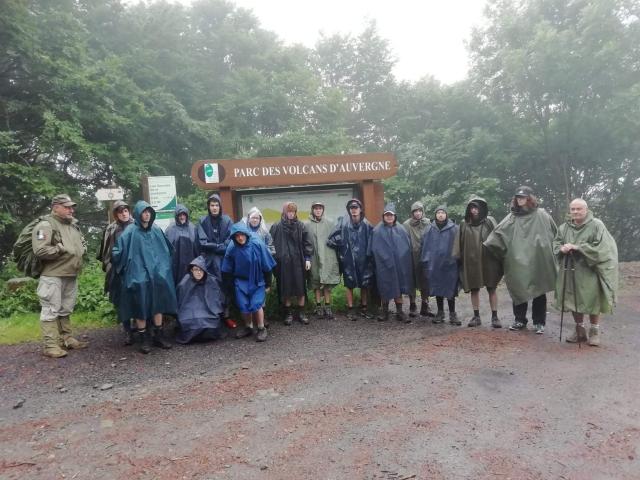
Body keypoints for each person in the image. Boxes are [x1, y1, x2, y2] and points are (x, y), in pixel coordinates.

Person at [484, 186, 557, 334]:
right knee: (518, 287)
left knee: (539, 289)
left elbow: (554, 233)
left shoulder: (541, 215)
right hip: (517, 259)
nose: (520, 199)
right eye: (518, 197)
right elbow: (498, 234)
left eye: (523, 197)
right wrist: (490, 247)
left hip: (538, 258)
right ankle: (519, 320)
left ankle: (539, 322)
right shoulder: (512, 217)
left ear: (530, 198)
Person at [112, 201, 177, 353]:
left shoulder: (156, 230)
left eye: (149, 211)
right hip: (138, 275)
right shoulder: (130, 232)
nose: (147, 214)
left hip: (157, 274)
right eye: (144, 212)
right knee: (140, 303)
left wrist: (164, 269)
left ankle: (158, 336)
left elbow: (167, 250)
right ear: (138, 214)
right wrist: (128, 268)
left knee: (158, 304)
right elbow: (117, 253)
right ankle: (144, 339)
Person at [553, 199, 618, 346]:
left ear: (586, 210)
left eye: (579, 209)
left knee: (592, 299)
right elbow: (556, 243)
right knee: (572, 299)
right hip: (570, 270)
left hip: (590, 270)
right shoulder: (564, 228)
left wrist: (579, 247)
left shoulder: (596, 225)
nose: (575, 212)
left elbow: (604, 248)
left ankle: (594, 331)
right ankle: (579, 330)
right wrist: (561, 248)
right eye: (573, 209)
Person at [32, 194, 88, 358]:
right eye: (67, 207)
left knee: (65, 309)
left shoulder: (72, 225)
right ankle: (50, 346)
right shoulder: (45, 225)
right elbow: (40, 250)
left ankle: (67, 339)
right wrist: (59, 249)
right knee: (50, 309)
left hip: (70, 274)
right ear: (56, 207)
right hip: (53, 276)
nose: (71, 210)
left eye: (72, 207)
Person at [453, 197, 503, 328]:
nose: (474, 210)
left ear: (481, 209)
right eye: (471, 208)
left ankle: (495, 317)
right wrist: (457, 258)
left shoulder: (489, 221)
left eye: (476, 208)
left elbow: (499, 238)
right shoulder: (464, 223)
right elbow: (459, 242)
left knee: (491, 288)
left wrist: (501, 255)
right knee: (474, 288)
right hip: (471, 261)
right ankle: (476, 316)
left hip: (489, 261)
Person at [222, 222, 276, 341]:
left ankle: (261, 328)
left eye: (242, 235)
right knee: (243, 305)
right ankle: (249, 327)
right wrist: (229, 285)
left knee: (257, 304)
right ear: (234, 237)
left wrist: (268, 284)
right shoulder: (232, 248)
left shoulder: (257, 244)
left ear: (246, 234)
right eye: (237, 236)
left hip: (257, 280)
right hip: (240, 281)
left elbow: (267, 265)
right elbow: (227, 268)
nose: (240, 238)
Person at [327, 199, 375, 320]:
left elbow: (373, 240)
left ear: (360, 209)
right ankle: (350, 309)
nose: (354, 210)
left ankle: (364, 307)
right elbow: (332, 238)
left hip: (364, 258)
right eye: (351, 208)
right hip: (348, 258)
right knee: (349, 284)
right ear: (349, 210)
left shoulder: (367, 224)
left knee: (364, 283)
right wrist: (341, 247)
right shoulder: (343, 222)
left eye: (356, 208)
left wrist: (370, 256)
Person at [96, 200, 135, 344]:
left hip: (134, 269)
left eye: (126, 211)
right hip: (118, 270)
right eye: (120, 212)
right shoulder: (111, 229)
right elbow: (106, 251)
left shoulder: (136, 225)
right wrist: (108, 267)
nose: (124, 214)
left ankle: (140, 327)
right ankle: (127, 331)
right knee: (122, 300)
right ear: (116, 214)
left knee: (138, 298)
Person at [369, 203, 415, 322]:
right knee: (385, 286)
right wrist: (383, 259)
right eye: (387, 215)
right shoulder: (377, 230)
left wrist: (401, 259)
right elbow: (374, 249)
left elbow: (406, 247)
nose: (389, 217)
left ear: (395, 216)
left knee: (398, 286)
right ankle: (385, 311)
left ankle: (400, 311)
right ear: (383, 216)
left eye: (391, 215)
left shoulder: (401, 229)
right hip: (383, 265)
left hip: (399, 264)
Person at [269, 202, 313, 325]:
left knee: (301, 288)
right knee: (285, 288)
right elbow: (270, 244)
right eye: (289, 211)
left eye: (293, 212)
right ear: (284, 212)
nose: (291, 214)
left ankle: (301, 312)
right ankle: (288, 314)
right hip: (283, 263)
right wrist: (274, 260)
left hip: (298, 262)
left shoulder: (300, 226)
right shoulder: (276, 226)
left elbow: (307, 243)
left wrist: (308, 258)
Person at [421, 206, 460, 325]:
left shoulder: (454, 228)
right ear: (435, 215)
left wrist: (456, 259)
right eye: (438, 212)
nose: (441, 214)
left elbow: (458, 246)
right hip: (435, 264)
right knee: (438, 288)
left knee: (450, 289)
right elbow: (425, 245)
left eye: (443, 212)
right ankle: (440, 312)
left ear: (446, 215)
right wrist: (426, 261)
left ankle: (453, 314)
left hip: (450, 264)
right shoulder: (429, 229)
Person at [175, 256, 225, 344]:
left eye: (201, 270)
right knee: (192, 321)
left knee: (208, 322)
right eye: (196, 269)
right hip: (189, 312)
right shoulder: (185, 282)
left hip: (208, 311)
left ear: (204, 270)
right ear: (191, 270)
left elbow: (218, 299)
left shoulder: (211, 281)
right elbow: (180, 302)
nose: (198, 272)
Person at [305, 201, 340, 319]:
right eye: (316, 208)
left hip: (327, 256)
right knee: (316, 282)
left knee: (327, 283)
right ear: (312, 210)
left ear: (323, 210)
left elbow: (337, 237)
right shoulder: (307, 225)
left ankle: (328, 306)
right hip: (314, 257)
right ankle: (318, 305)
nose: (318, 210)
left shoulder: (330, 223)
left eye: (320, 208)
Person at [402, 201, 435, 318]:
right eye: (415, 211)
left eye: (420, 210)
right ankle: (412, 305)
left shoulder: (428, 223)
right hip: (411, 256)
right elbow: (403, 240)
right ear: (412, 213)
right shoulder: (406, 224)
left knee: (425, 280)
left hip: (425, 256)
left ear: (423, 211)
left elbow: (432, 239)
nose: (418, 213)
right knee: (411, 280)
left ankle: (425, 305)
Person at [197, 193, 232, 278]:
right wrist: (219, 246)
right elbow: (202, 243)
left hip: (225, 261)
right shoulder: (202, 221)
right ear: (209, 207)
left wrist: (213, 247)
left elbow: (230, 241)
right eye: (212, 205)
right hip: (208, 262)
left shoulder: (227, 221)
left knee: (225, 287)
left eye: (217, 205)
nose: (214, 208)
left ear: (220, 207)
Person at [165, 204, 199, 285]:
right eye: (180, 215)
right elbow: (166, 249)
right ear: (176, 216)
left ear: (187, 215)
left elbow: (197, 248)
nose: (182, 217)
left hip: (190, 264)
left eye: (184, 214)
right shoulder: (170, 229)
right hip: (175, 266)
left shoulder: (193, 228)